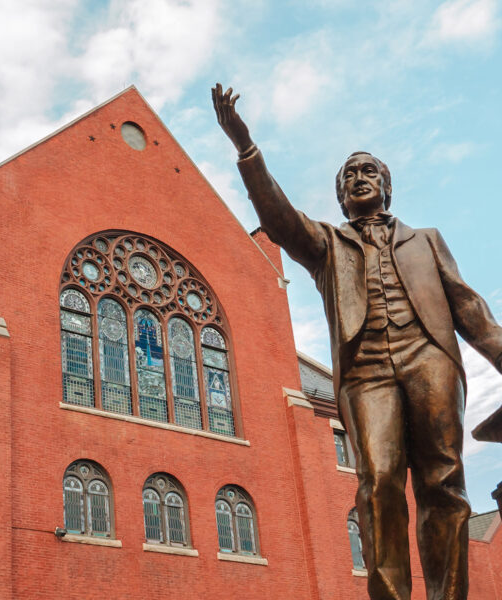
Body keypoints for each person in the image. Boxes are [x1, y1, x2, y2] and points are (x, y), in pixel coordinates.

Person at [211, 83, 502, 600]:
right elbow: (277, 218)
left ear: (386, 187)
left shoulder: (427, 240)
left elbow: (469, 306)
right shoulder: (326, 243)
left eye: (369, 171)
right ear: (341, 196)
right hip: (366, 369)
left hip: (428, 356)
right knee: (381, 480)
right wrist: (246, 148)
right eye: (349, 175)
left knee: (443, 481)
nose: (358, 178)